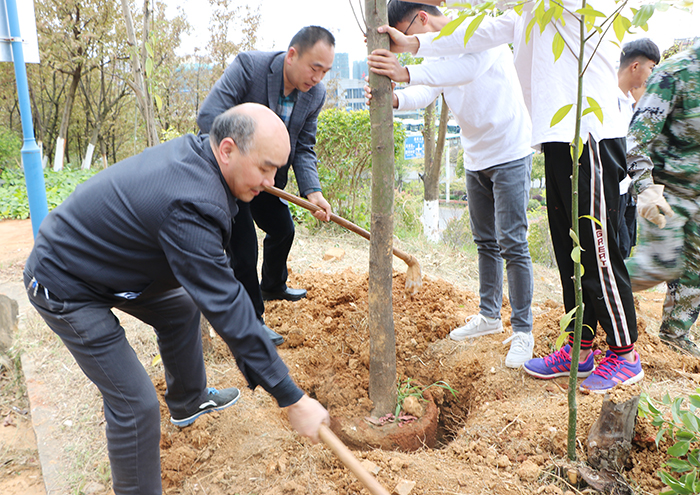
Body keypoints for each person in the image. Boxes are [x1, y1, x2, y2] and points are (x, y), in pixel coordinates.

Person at [23, 103, 330, 495]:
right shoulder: (191, 202)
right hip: (64, 282)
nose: (271, 182)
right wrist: (291, 397)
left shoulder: (202, 162)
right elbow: (226, 305)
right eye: (265, 168)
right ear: (228, 150)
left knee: (181, 305)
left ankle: (188, 401)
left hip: (111, 264)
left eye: (277, 171)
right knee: (136, 408)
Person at [380, 0, 646, 392]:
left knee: (596, 245)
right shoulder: (528, 11)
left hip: (589, 130)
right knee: (568, 247)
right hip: (555, 135)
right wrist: (413, 47)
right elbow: (480, 33)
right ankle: (580, 344)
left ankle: (624, 353)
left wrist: (410, 59)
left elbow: (473, 50)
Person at [366, 1, 535, 367]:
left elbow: (466, 69)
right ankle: (489, 317)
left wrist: (407, 71)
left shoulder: (476, 28)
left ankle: (523, 331)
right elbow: (428, 90)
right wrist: (392, 98)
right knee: (485, 241)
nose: (407, 44)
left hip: (509, 149)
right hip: (476, 156)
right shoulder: (434, 50)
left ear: (421, 19)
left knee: (513, 242)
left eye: (405, 36)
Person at [197, 26, 335, 346]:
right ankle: (251, 322)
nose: (318, 78)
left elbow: (303, 147)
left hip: (267, 181)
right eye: (314, 68)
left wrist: (313, 193)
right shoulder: (250, 68)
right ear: (292, 55)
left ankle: (272, 285)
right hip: (230, 177)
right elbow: (209, 116)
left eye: (325, 72)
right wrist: (245, 159)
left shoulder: (315, 95)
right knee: (244, 248)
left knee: (283, 229)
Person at [625, 40, 700, 358]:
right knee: (659, 267)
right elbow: (636, 139)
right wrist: (646, 190)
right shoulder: (675, 73)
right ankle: (592, 288)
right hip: (667, 193)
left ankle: (674, 337)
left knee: (696, 270)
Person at [616, 38, 661, 258]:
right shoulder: (607, 101)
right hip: (611, 192)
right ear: (636, 66)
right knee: (614, 253)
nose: (651, 76)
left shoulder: (627, 105)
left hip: (627, 191)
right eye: (651, 68)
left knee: (624, 249)